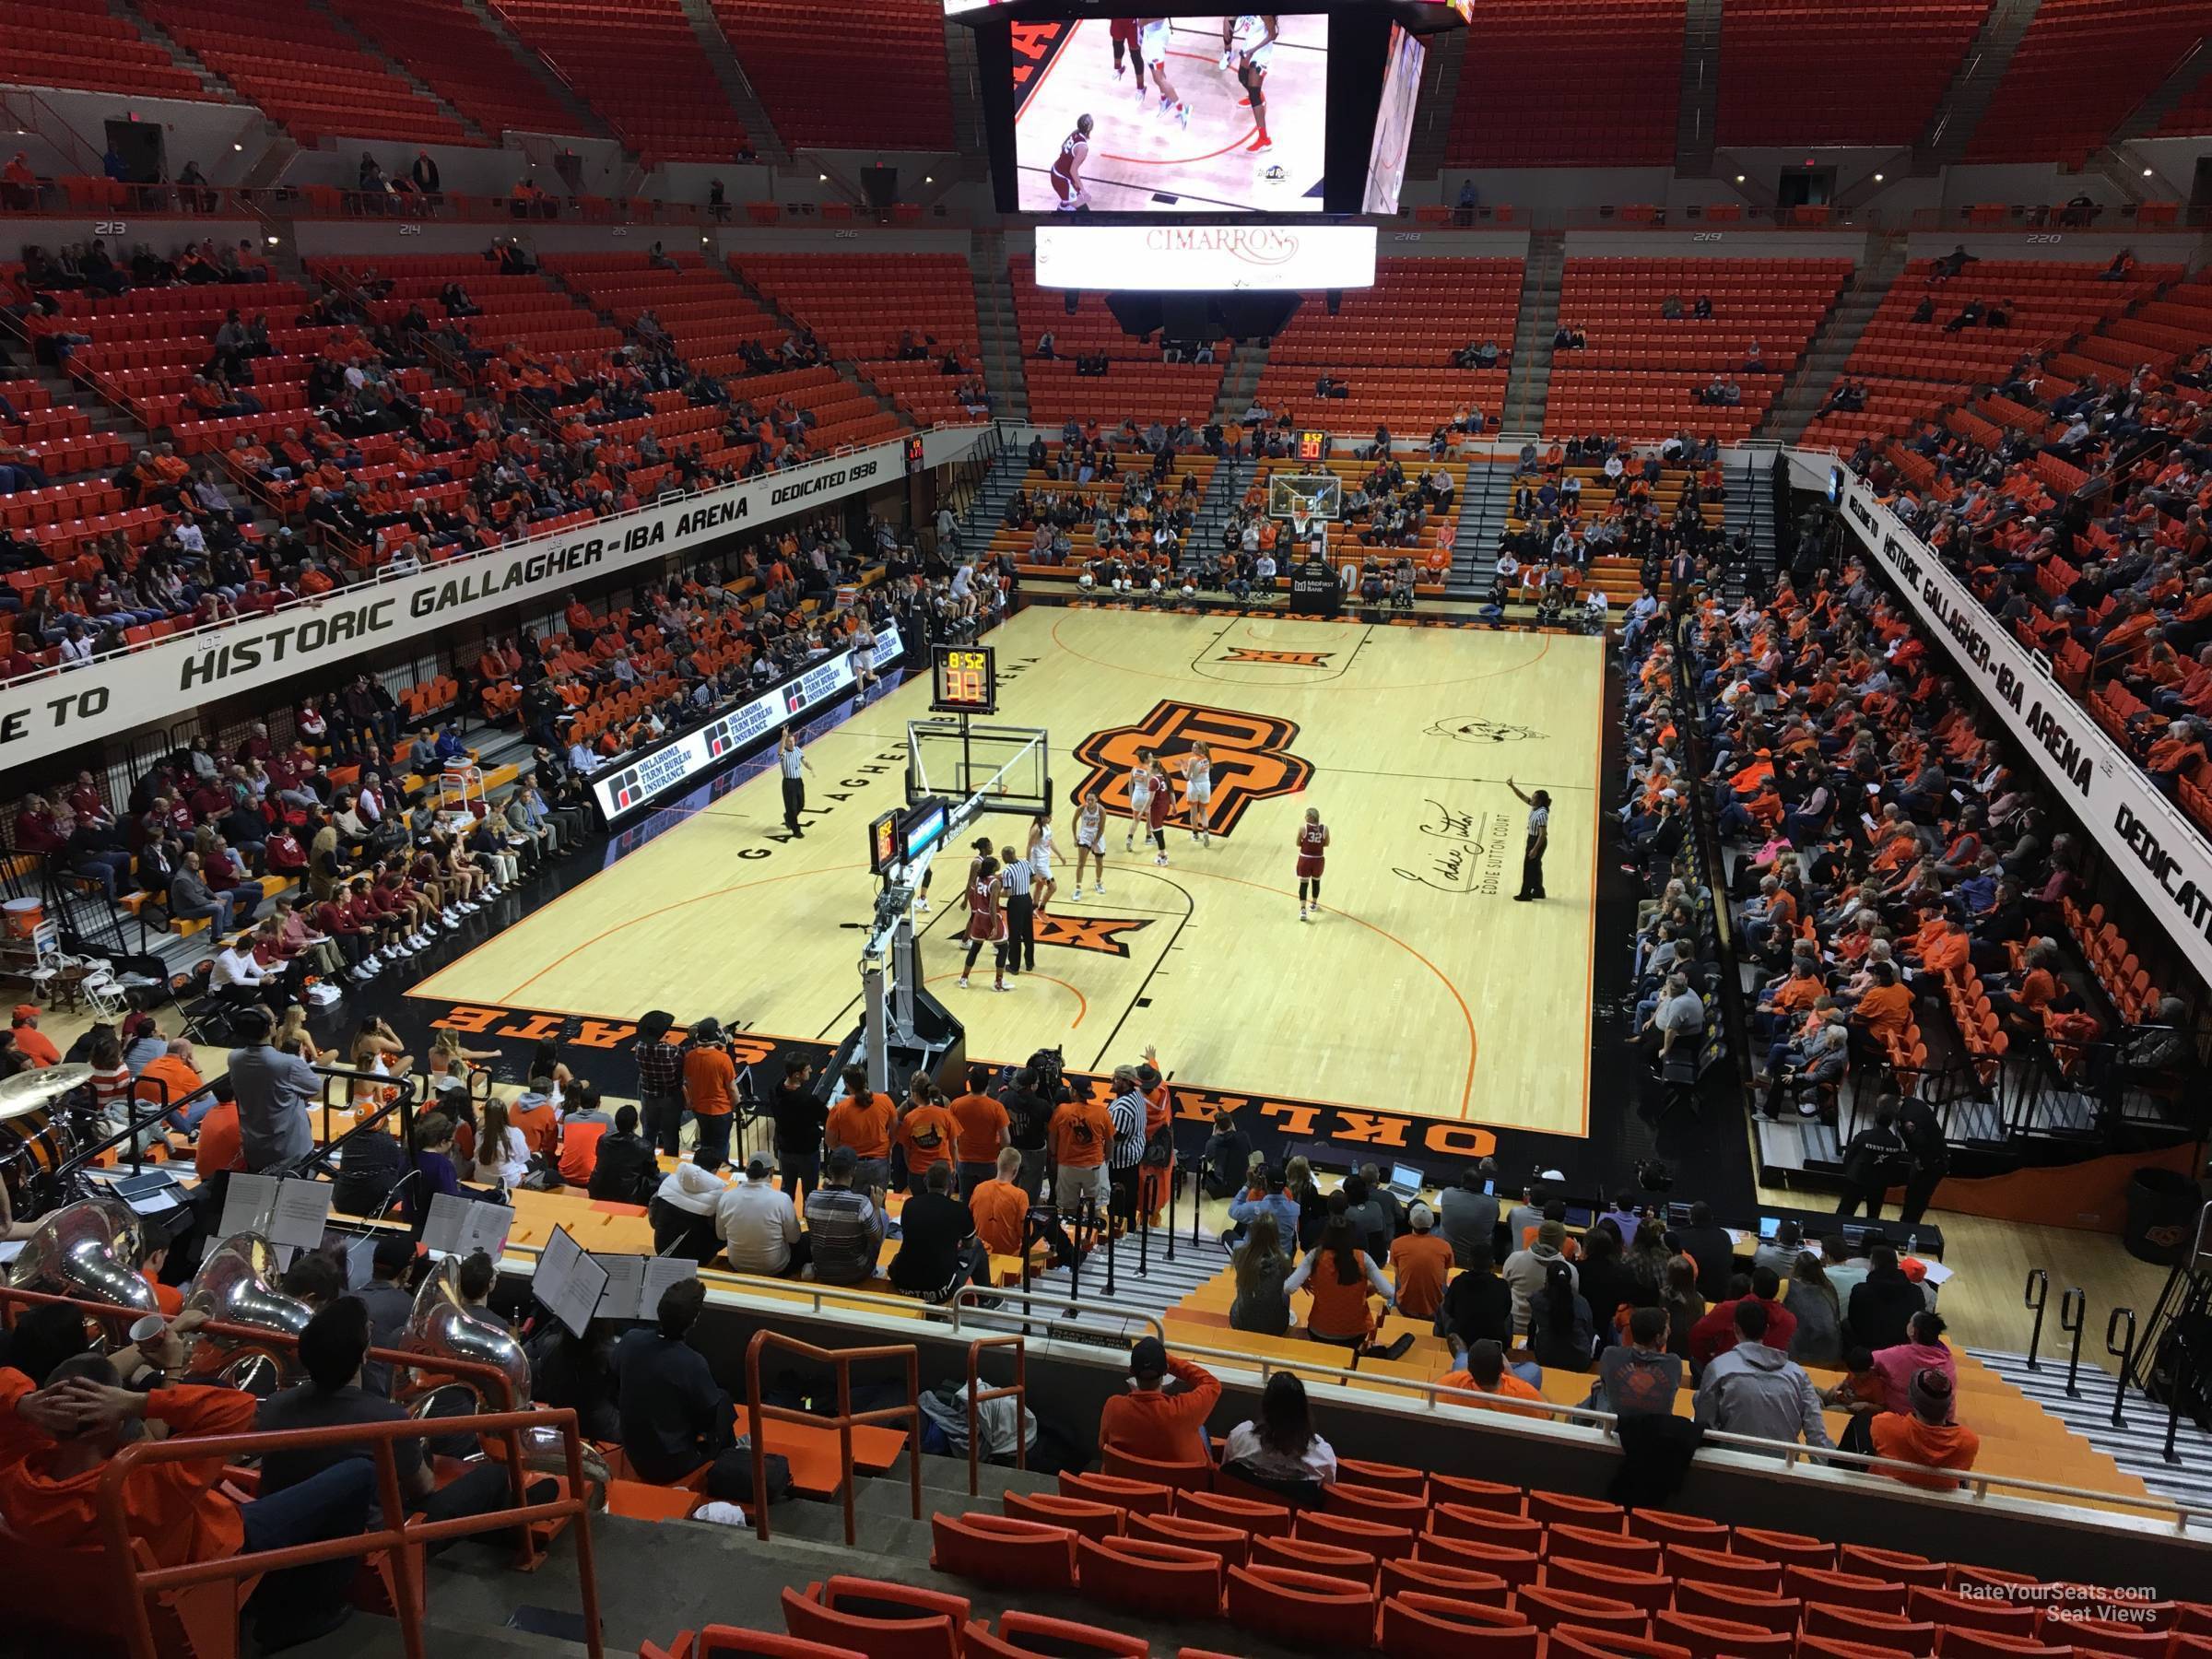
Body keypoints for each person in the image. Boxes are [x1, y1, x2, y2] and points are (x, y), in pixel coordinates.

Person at [11, 1338, 374, 1651]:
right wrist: (138, 1402)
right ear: (113, 1417)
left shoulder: (14, 1479)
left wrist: (21, 1404)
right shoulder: (146, 1483)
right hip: (221, 1547)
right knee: (358, 1472)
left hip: (90, 1604)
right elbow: (238, 1407)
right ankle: (303, 1615)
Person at [612, 1278, 735, 1486]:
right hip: (671, 1463)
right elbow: (707, 1418)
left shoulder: (631, 1339)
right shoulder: (692, 1362)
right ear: (694, 1320)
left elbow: (614, 1374)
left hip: (634, 1452)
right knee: (724, 1401)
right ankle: (731, 1464)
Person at [1693, 1301, 1832, 1450]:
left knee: (1699, 1398)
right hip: (1783, 1463)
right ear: (1766, 1330)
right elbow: (1817, 1435)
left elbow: (1706, 1427)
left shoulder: (1718, 1367)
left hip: (1731, 1461)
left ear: (1735, 1328)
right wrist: (1824, 1471)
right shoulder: (1797, 1374)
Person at [1284, 1215, 1398, 1351]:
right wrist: (1372, 1288)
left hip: (1320, 1330)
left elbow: (1288, 1288)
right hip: (1355, 1333)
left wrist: (1302, 1281)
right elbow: (1389, 1292)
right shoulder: (1363, 1258)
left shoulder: (1315, 1255)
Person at [1100, 1336, 1219, 1465]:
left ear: (1132, 1371)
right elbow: (1212, 1384)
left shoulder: (1113, 1407)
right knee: (1199, 1427)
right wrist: (1170, 1361)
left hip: (1130, 1483)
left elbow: (1103, 1446)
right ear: (1166, 1370)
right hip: (1183, 1484)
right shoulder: (1185, 1410)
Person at [226, 1007, 320, 1171]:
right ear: (269, 1028)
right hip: (291, 1148)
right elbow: (315, 1087)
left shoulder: (234, 1058)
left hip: (254, 1145)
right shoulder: (288, 1063)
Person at [888, 1162, 989, 1301]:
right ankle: (986, 1300)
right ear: (951, 1183)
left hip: (902, 1283)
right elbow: (969, 1244)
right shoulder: (959, 1210)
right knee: (977, 1245)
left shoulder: (909, 1204)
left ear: (925, 1181)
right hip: (940, 1290)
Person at [1221, 1371, 1335, 1491]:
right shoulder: (1323, 1456)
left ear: (1265, 1406)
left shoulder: (1239, 1437)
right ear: (1303, 1410)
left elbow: (1225, 1476)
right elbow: (1328, 1493)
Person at [1868, 1368, 1979, 1489]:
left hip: (1881, 1500)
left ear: (1911, 1398)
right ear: (1950, 1403)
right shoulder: (1968, 1442)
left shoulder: (1883, 1424)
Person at [806, 1146, 888, 1286]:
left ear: (830, 1170)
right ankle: (873, 1271)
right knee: (883, 1215)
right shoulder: (861, 1203)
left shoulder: (812, 1198)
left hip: (822, 1271)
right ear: (853, 1171)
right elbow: (876, 1238)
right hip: (855, 1272)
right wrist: (876, 1208)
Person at [717, 1152, 804, 1277]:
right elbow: (794, 1238)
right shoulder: (782, 1199)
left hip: (737, 1264)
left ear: (746, 1171)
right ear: (771, 1172)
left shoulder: (727, 1197)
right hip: (775, 1267)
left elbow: (721, 1236)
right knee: (806, 1239)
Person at [1592, 1305, 1681, 1417]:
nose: (1670, 1331)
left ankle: (1573, 1421)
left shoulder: (1610, 1355)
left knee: (1599, 1390)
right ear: (1658, 1338)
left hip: (1616, 1428)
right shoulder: (1673, 1363)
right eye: (1667, 1328)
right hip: (1656, 1430)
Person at [766, 1058, 829, 1209]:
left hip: (784, 1148)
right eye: (807, 1069)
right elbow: (826, 1116)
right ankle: (808, 1228)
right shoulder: (807, 1100)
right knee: (810, 1194)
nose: (811, 1071)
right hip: (806, 1152)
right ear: (797, 1075)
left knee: (786, 1190)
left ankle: (782, 1221)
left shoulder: (775, 1090)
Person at [1870, 1310, 1955, 1415]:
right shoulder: (1947, 1356)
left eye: (1910, 1322)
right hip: (1943, 1419)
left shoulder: (1897, 1355)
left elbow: (1870, 1360)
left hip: (1904, 1417)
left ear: (1912, 1331)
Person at [682, 1018, 737, 1174]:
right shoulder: (723, 1059)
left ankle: (703, 1174)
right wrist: (736, 1105)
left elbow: (687, 1082)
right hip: (721, 1110)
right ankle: (719, 1176)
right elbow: (732, 1089)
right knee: (722, 1146)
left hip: (699, 1109)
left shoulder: (690, 1056)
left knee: (706, 1145)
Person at [1503, 1218, 1577, 1334]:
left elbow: (1505, 1291)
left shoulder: (1515, 1259)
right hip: (1548, 1334)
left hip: (1515, 1326)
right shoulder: (1570, 1271)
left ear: (1539, 1237)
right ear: (1562, 1243)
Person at [947, 1065, 1010, 1194]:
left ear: (969, 1083)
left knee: (965, 1200)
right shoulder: (996, 1108)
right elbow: (1006, 1140)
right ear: (988, 1084)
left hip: (964, 1161)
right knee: (987, 1200)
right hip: (989, 1163)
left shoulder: (956, 1105)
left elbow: (950, 1136)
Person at [1440, 1338, 1547, 1415]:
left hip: (1470, 1376)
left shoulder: (1451, 1384)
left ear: (1469, 1371)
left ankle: (1462, 1353)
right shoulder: (1524, 1393)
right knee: (1534, 1369)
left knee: (1461, 1361)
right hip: (1511, 1384)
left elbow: (1434, 1388)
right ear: (1502, 1369)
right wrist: (1511, 1373)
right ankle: (1464, 1355)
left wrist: (1471, 1369)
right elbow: (1548, 1413)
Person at [1847, 1244, 1924, 1350]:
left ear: (1874, 1265)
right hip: (1903, 1349)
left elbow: (1853, 1321)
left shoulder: (1859, 1291)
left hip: (1867, 1349)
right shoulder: (1916, 1292)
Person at [1524, 1257, 1596, 1371]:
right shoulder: (1582, 1302)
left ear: (1547, 1280)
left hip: (1546, 1358)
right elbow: (1589, 1331)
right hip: (1579, 1361)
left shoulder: (1537, 1300)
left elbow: (1532, 1330)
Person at [649, 1162, 727, 1265]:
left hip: (662, 1249)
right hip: (699, 1258)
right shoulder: (720, 1196)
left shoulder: (667, 1182)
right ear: (715, 1170)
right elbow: (721, 1236)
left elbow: (653, 1219)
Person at [1230, 1212, 1293, 1336]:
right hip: (1276, 1327)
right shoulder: (1284, 1260)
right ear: (1276, 1234)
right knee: (1285, 1294)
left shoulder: (1239, 1255)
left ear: (1253, 1232)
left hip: (1241, 1323)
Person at [1387, 1203, 1453, 1321]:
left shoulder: (1396, 1244)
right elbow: (1442, 1281)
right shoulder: (1445, 1246)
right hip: (1435, 1310)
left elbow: (1399, 1278)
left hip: (1405, 1308)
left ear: (1410, 1222)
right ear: (1432, 1223)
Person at [968, 1147, 1031, 1259]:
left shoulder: (978, 1189)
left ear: (997, 1164)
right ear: (1016, 1170)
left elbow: (969, 1222)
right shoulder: (1020, 1196)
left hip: (980, 1256)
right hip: (1009, 1258)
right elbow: (1026, 1233)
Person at [589, 1105, 659, 1204]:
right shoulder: (644, 1146)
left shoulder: (603, 1140)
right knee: (664, 1177)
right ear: (636, 1124)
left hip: (598, 1191)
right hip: (628, 1197)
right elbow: (653, 1174)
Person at [1439, 1162, 1500, 1269]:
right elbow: (1494, 1221)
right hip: (1476, 1259)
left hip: (1447, 1256)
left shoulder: (1448, 1193)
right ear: (1483, 1186)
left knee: (1435, 1228)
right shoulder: (1493, 1203)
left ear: (1462, 1182)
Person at [1507, 778, 1550, 901]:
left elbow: (1542, 834)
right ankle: (1539, 891)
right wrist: (1512, 786)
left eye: (1534, 798)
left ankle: (1525, 894)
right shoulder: (1536, 806)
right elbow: (1522, 796)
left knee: (1529, 868)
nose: (1531, 799)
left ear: (1540, 801)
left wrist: (1535, 849)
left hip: (1536, 841)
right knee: (1536, 867)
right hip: (1533, 838)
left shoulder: (1542, 814)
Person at [776, 726, 814, 836]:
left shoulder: (797, 750)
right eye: (789, 742)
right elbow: (780, 751)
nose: (791, 743)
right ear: (786, 743)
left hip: (798, 781)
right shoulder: (783, 754)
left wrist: (809, 766)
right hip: (788, 783)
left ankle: (788, 817)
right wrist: (783, 737)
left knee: (801, 805)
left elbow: (804, 760)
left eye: (792, 741)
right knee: (791, 808)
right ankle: (796, 830)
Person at [1294, 806, 1329, 923]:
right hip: (1318, 859)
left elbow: (1298, 843)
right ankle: (1313, 904)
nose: (1304, 817)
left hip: (1305, 859)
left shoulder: (1303, 829)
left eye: (1306, 815)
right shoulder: (1325, 829)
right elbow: (1327, 843)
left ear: (1310, 817)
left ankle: (1303, 910)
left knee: (1303, 884)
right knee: (1316, 881)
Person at [1070, 791, 1107, 900]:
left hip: (1097, 835)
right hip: (1085, 835)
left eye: (1092, 800)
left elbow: (1101, 828)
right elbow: (1074, 822)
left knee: (1099, 863)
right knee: (1081, 863)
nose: (1089, 802)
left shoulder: (1101, 810)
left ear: (1097, 799)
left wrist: (1095, 842)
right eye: (1088, 800)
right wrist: (1075, 838)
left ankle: (1098, 882)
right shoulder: (1081, 809)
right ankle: (1078, 889)